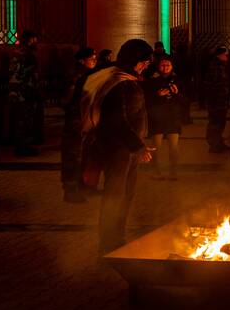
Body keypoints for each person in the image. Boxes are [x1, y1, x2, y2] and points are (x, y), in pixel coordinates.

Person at [81, 39, 154, 254]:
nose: (145, 65)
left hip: (128, 150)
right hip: (117, 150)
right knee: (115, 195)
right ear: (134, 60)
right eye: (143, 61)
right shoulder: (118, 83)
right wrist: (137, 146)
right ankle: (109, 240)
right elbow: (117, 120)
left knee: (125, 195)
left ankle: (117, 236)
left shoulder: (127, 79)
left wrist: (138, 144)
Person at [61, 47, 98, 202]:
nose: (94, 61)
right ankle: (70, 190)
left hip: (86, 120)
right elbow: (65, 100)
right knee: (73, 156)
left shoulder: (89, 75)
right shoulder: (75, 77)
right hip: (76, 122)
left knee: (85, 155)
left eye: (95, 58)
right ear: (82, 61)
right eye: (91, 58)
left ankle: (82, 185)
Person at [143, 56, 182, 178]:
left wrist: (177, 94)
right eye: (162, 65)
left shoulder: (177, 80)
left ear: (172, 66)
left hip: (173, 118)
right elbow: (146, 100)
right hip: (157, 118)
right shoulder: (152, 81)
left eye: (168, 65)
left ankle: (173, 172)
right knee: (156, 147)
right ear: (158, 67)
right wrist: (157, 95)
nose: (165, 68)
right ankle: (155, 171)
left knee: (174, 147)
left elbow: (185, 100)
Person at [8, 30, 42, 156]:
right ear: (30, 40)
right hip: (25, 91)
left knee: (19, 118)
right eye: (35, 39)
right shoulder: (27, 55)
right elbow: (30, 75)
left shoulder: (17, 53)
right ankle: (22, 147)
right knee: (24, 119)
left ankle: (20, 144)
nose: (36, 42)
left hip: (17, 90)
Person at [202, 48, 230, 153]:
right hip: (216, 101)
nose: (227, 57)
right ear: (219, 55)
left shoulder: (221, 66)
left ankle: (218, 141)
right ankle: (214, 144)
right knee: (215, 122)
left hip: (221, 99)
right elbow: (212, 85)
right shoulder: (214, 67)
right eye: (225, 55)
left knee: (220, 122)